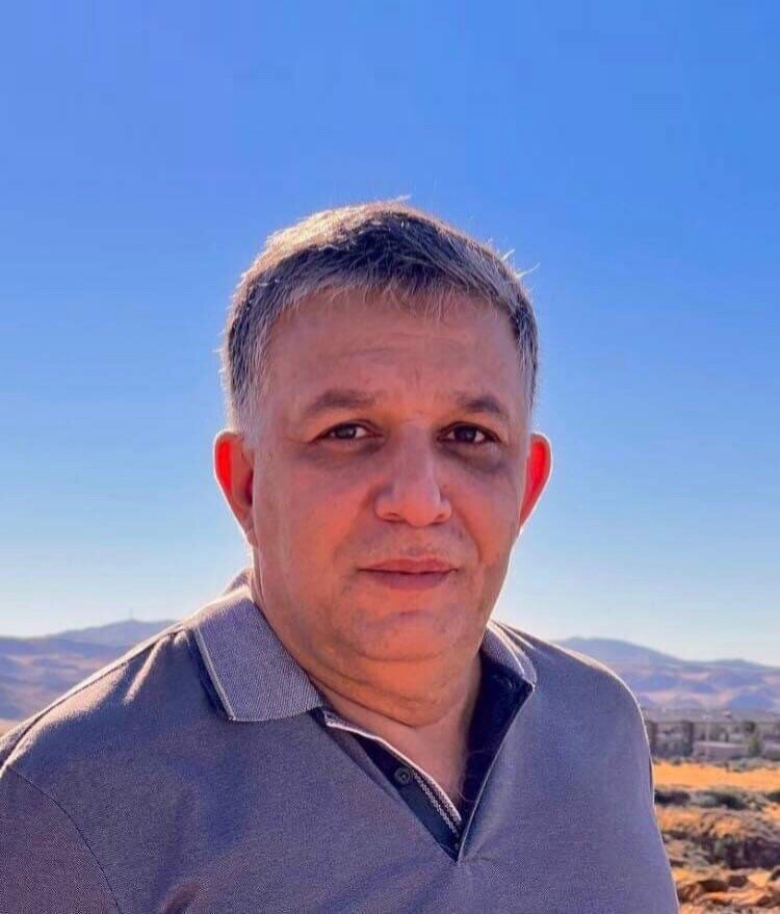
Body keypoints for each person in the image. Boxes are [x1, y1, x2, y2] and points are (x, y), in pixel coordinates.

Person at [0, 201, 679, 913]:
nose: (418, 501)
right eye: (348, 431)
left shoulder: (599, 723)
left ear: (527, 489)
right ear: (247, 485)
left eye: (469, 435)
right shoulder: (65, 801)